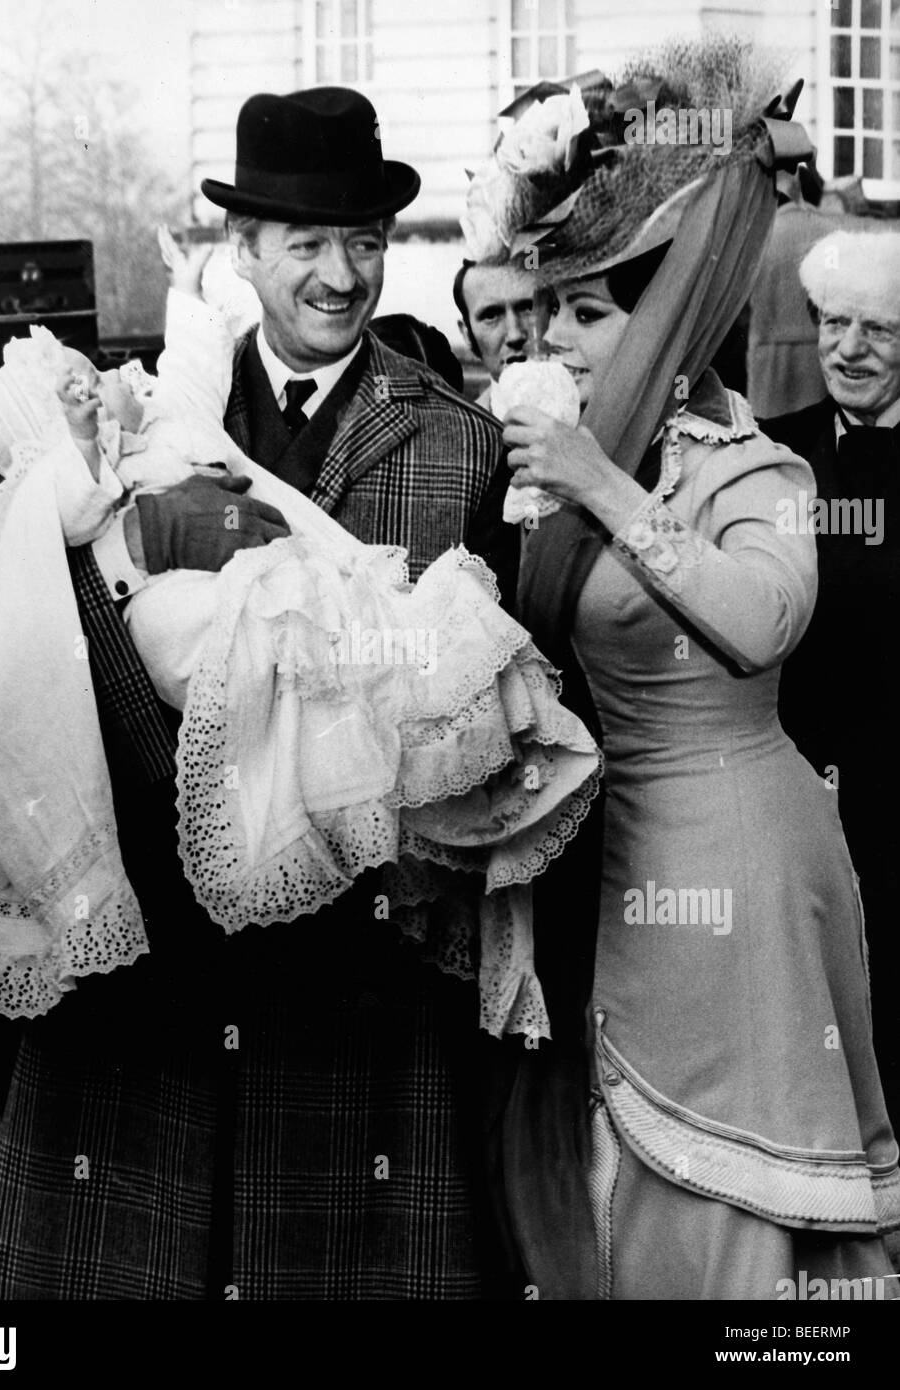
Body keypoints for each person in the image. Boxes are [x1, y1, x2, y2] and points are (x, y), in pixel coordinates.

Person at [0, 85, 538, 1301]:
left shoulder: (455, 441)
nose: (342, 274)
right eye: (309, 244)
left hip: (356, 977)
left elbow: (489, 688)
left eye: (367, 243)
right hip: (158, 968)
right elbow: (62, 637)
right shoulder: (133, 420)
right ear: (245, 251)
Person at [470, 39, 900, 1299]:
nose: (554, 335)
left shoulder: (752, 468)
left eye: (588, 310)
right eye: (550, 307)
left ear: (666, 320)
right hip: (620, 858)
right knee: (611, 1168)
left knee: (722, 1192)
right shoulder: (573, 461)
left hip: (741, 862)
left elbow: (762, 620)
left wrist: (597, 486)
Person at [764, 228, 900, 1132]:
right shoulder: (774, 456)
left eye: (879, 331)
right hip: (796, 797)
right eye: (834, 324)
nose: (848, 349)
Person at [745, 161, 847, 418]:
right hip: (818, 356)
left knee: (770, 440)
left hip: (767, 357)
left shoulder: (759, 234)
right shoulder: (830, 233)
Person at [453, 259, 538, 409]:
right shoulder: (459, 430)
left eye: (528, 308)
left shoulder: (592, 422)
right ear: (467, 334)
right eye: (491, 316)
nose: (515, 335)